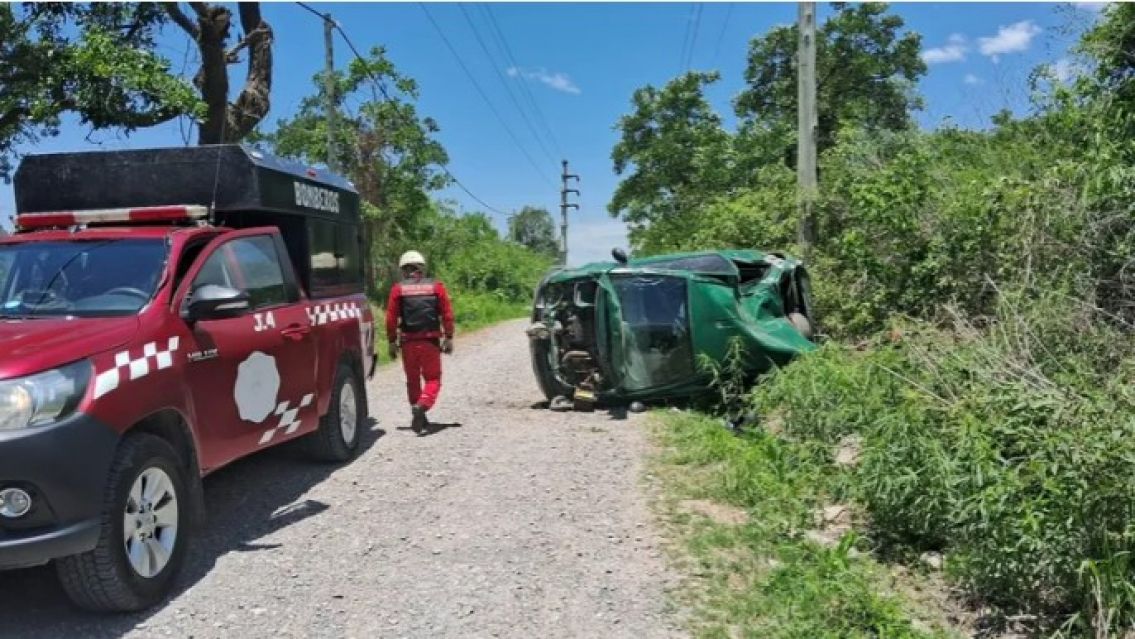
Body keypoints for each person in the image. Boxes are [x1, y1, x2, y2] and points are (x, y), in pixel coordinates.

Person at [385, 250, 455, 434]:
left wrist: (391, 341)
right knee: (433, 379)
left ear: (403, 270)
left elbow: (391, 318)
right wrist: (449, 337)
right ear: (421, 268)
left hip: (408, 342)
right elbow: (447, 314)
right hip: (430, 342)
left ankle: (419, 413)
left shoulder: (398, 289)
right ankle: (423, 406)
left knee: (412, 380)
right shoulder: (436, 287)